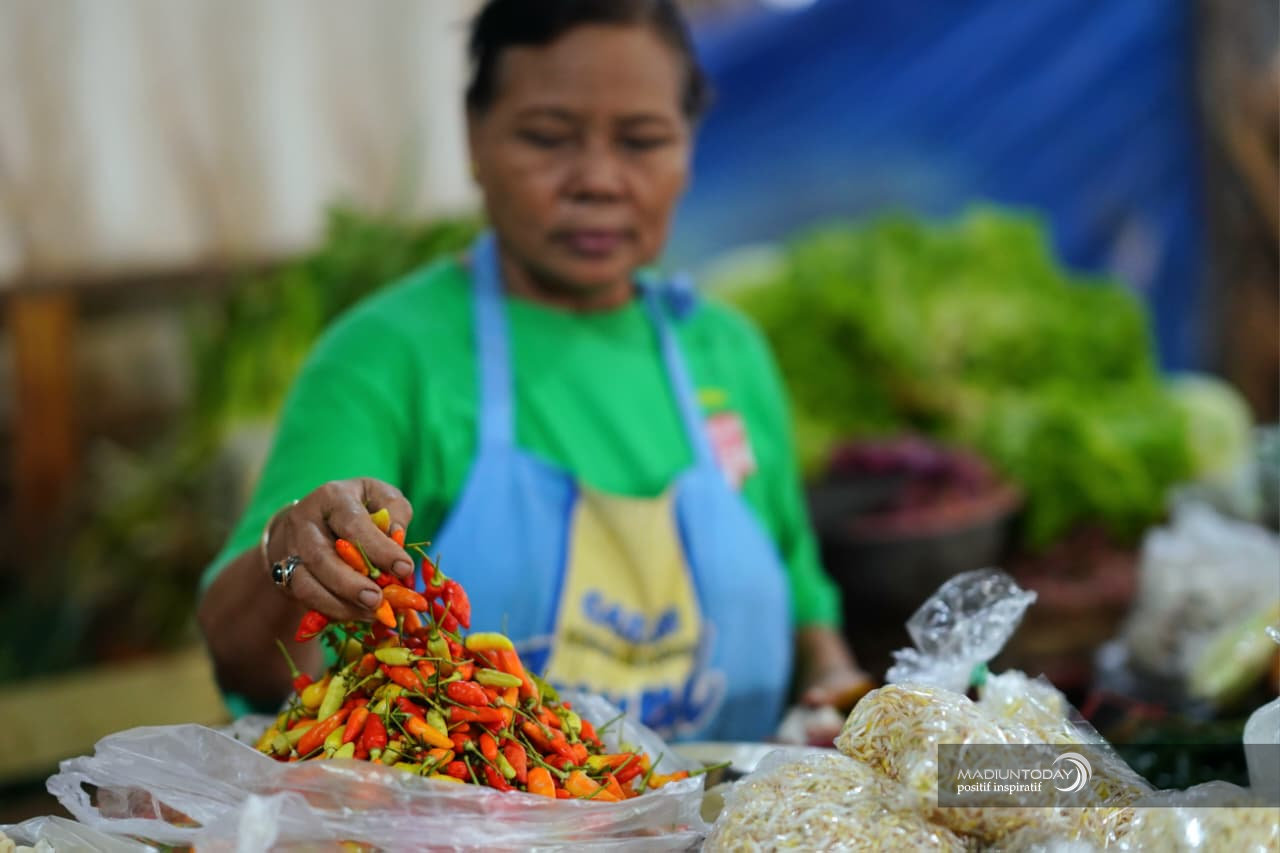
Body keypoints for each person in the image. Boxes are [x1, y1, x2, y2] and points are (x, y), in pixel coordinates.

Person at [197, 0, 869, 742]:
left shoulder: (726, 349)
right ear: (474, 138)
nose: (598, 180)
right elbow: (246, 659)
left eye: (643, 140)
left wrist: (858, 707)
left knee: (980, 779)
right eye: (547, 138)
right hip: (476, 809)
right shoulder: (383, 357)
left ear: (688, 146)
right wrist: (288, 554)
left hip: (735, 806)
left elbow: (805, 607)